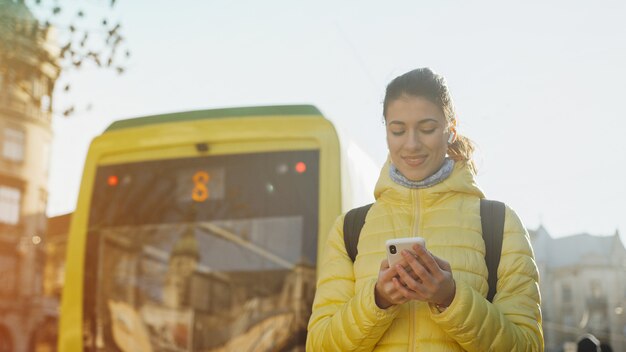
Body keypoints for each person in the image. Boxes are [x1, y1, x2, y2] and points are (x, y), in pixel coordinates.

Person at [306, 68, 543, 351]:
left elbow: (527, 346)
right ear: (386, 133)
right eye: (398, 130)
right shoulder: (350, 229)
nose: (412, 144)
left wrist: (451, 298)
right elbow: (319, 346)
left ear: (450, 129)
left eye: (427, 129)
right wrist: (377, 300)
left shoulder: (499, 224)